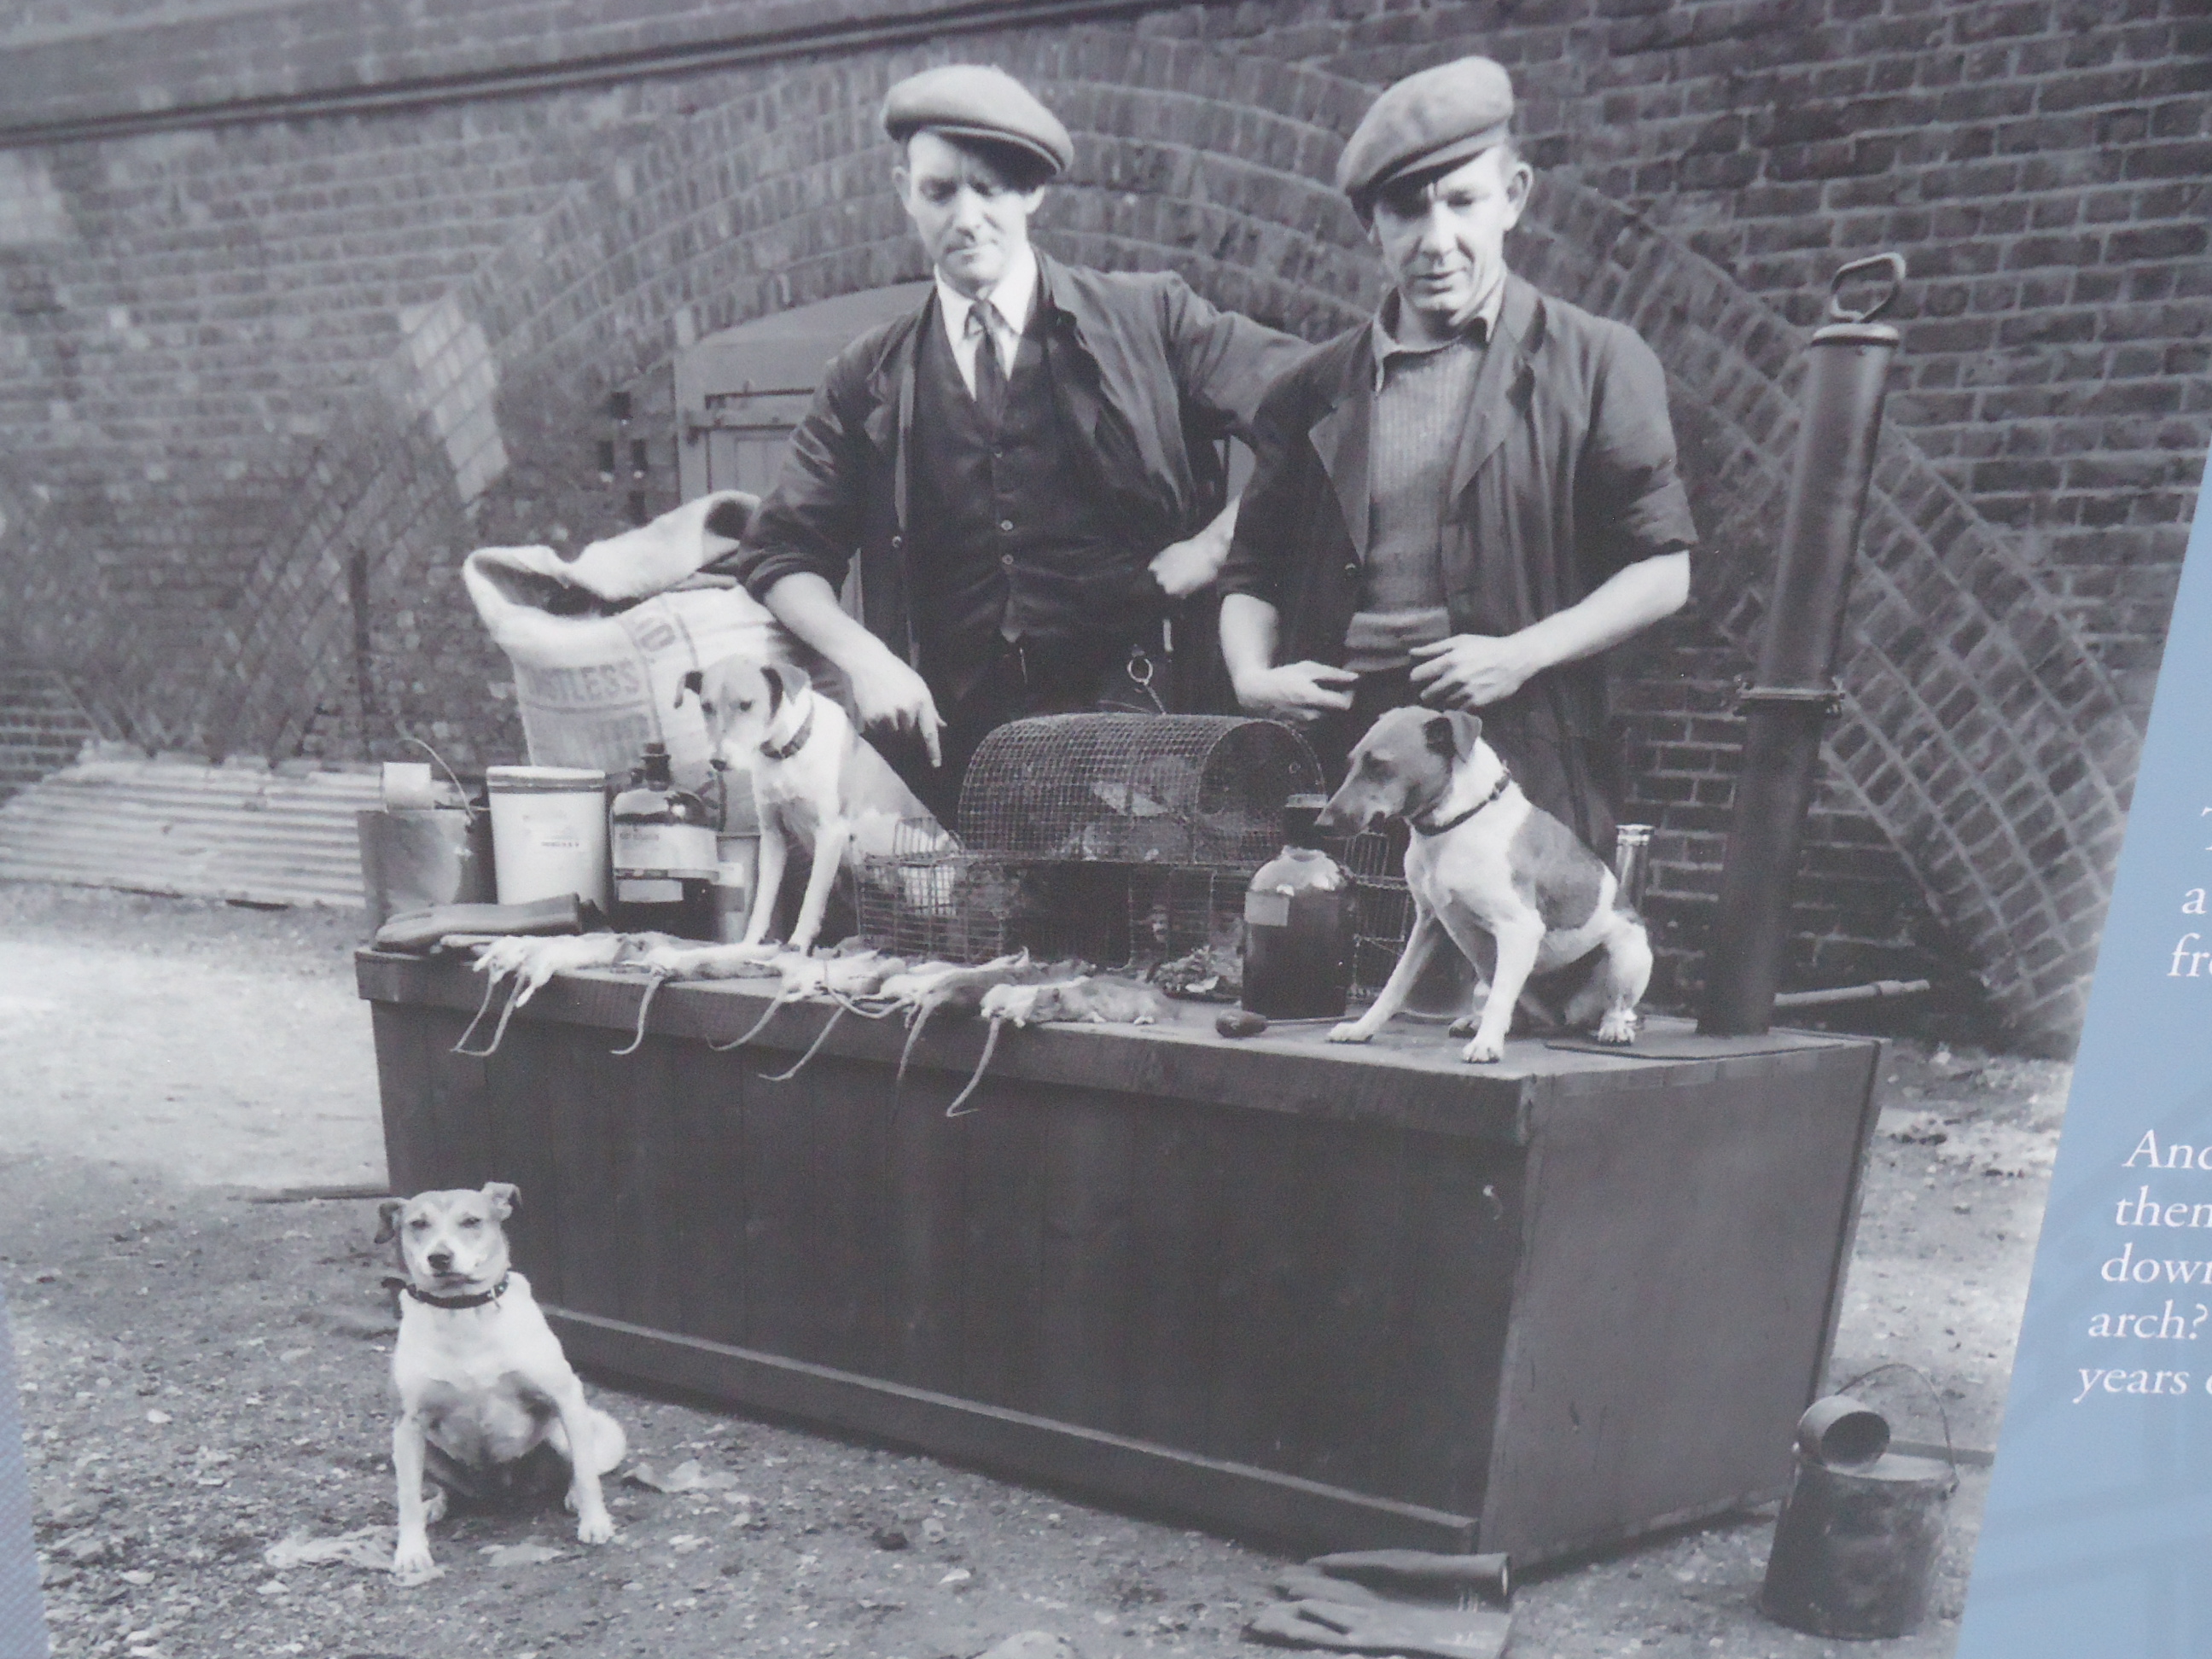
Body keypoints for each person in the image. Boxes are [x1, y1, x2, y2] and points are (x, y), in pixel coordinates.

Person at [722, 63, 1307, 823]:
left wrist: (1214, 546)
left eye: (990, 189)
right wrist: (869, 661)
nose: (966, 218)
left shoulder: (1148, 320)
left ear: (1032, 191)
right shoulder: (867, 377)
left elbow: (1316, 410)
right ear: (905, 193)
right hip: (959, 763)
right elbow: (781, 551)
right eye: (940, 192)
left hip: (1152, 739)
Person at [1217, 55, 1696, 857]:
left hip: (1520, 759)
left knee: (1509, 941)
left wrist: (1520, 655)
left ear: (1513, 197)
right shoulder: (1308, 390)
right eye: (1407, 211)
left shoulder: (1598, 363)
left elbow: (1663, 570)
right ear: (1370, 224)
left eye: (1464, 202)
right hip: (1347, 761)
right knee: (1329, 933)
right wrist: (1251, 676)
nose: (1438, 242)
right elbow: (1250, 573)